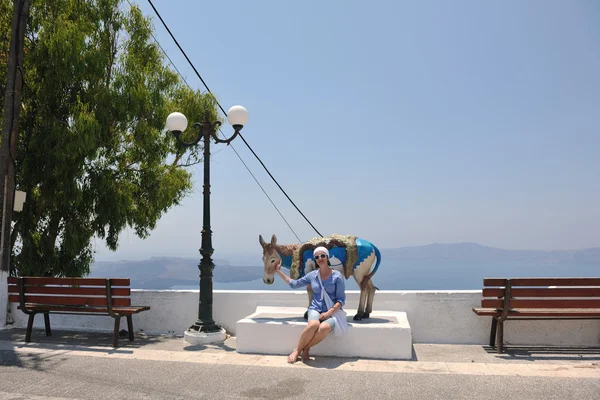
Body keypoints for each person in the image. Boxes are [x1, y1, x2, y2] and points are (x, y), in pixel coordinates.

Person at [274, 246, 346, 363]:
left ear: (327, 257)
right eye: (317, 257)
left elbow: (341, 300)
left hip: (333, 312)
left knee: (325, 327)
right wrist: (278, 271)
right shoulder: (312, 275)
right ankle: (297, 350)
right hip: (315, 308)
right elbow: (294, 284)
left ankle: (306, 348)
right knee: (313, 325)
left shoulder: (337, 276)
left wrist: (328, 314)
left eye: (323, 255)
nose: (320, 258)